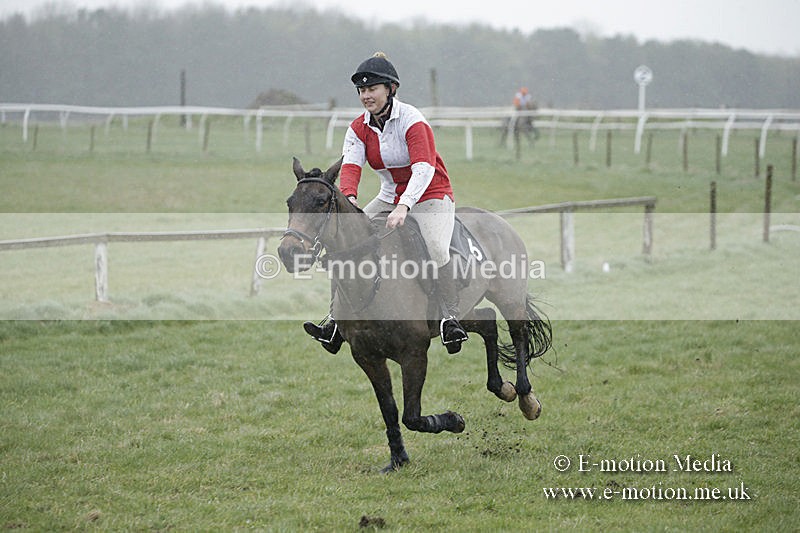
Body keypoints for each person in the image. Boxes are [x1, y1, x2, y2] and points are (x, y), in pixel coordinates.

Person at [303, 52, 468, 355]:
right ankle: (335, 321)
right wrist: (350, 201)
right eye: (362, 90)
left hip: (430, 194)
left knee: (436, 246)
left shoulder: (412, 120)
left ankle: (450, 317)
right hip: (389, 195)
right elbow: (351, 167)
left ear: (391, 89)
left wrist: (404, 206)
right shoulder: (358, 128)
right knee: (345, 240)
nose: (366, 95)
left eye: (372, 89)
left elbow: (423, 169)